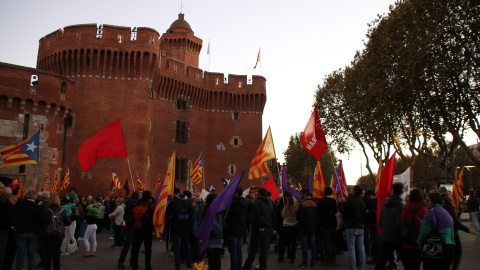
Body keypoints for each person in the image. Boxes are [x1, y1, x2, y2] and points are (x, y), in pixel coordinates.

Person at [417, 192, 455, 270]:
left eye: (427, 200)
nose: (425, 202)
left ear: (434, 201)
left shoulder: (431, 212)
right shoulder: (445, 212)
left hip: (436, 249)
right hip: (449, 247)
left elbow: (424, 231)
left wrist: (419, 243)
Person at [441, 190, 477, 270]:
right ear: (446, 198)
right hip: (452, 233)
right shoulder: (449, 208)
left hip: (448, 233)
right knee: (457, 252)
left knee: (451, 253)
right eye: (450, 195)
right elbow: (456, 223)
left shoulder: (444, 207)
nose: (452, 197)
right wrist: (468, 230)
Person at [242, 187, 276, 270]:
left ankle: (247, 266)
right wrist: (272, 227)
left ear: (259, 193)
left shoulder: (257, 202)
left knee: (253, 248)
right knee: (264, 249)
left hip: (259, 229)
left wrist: (258, 227)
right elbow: (274, 216)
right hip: (268, 229)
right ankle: (263, 266)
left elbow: (256, 216)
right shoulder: (269, 203)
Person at [375, 182, 405, 270]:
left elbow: (380, 221)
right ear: (401, 191)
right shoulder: (400, 205)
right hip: (397, 237)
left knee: (382, 260)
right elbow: (399, 223)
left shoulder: (385, 205)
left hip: (386, 236)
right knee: (407, 261)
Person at [41, 194, 72, 270]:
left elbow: (41, 223)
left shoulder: (46, 211)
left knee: (48, 255)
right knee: (56, 254)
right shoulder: (62, 211)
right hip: (59, 234)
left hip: (48, 234)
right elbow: (68, 222)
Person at [13, 189, 42, 270]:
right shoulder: (38, 207)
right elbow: (41, 220)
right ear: (35, 198)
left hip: (21, 231)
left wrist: (14, 225)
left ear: (26, 196)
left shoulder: (20, 204)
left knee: (20, 254)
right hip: (33, 232)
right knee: (31, 254)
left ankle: (19, 268)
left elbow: (11, 214)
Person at [165, 188, 194, 270]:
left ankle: (177, 267)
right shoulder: (188, 202)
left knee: (176, 248)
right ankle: (189, 266)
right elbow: (192, 215)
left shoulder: (173, 202)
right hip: (185, 228)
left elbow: (168, 216)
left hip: (175, 228)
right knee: (187, 247)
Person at [399, 189, 427, 270]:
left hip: (406, 242)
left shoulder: (405, 209)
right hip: (417, 243)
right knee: (416, 266)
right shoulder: (422, 210)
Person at [342, 185, 366, 270]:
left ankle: (353, 267)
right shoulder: (363, 203)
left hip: (351, 227)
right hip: (360, 227)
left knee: (351, 249)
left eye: (352, 190)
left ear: (355, 192)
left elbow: (344, 213)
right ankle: (362, 267)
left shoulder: (350, 202)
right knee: (361, 248)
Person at [130, 190, 155, 270]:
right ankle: (147, 266)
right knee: (148, 249)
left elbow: (132, 216)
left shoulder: (136, 205)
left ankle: (134, 265)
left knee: (135, 248)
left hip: (137, 228)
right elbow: (153, 218)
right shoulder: (151, 206)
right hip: (147, 230)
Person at [118, 189, 143, 269]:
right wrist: (134, 203)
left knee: (136, 245)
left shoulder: (141, 202)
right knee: (127, 244)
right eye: (139, 193)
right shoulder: (131, 200)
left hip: (138, 225)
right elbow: (128, 211)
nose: (140, 194)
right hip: (131, 225)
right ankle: (121, 261)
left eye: (141, 193)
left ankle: (133, 261)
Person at [201, 193, 225, 270]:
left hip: (209, 236)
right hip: (219, 237)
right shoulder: (220, 209)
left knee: (211, 258)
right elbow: (224, 224)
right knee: (217, 258)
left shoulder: (206, 209)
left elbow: (203, 223)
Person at [226, 187, 248, 270]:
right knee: (239, 250)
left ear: (236, 193)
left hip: (233, 229)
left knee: (233, 251)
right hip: (241, 229)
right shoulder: (244, 203)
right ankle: (238, 266)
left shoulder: (232, 203)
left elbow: (228, 216)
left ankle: (234, 267)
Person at [296, 188, 317, 268]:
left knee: (304, 247)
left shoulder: (302, 204)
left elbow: (299, 217)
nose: (300, 195)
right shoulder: (314, 204)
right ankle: (313, 261)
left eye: (301, 193)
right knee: (312, 246)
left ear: (305, 194)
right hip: (312, 228)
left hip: (304, 228)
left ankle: (305, 262)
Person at [317, 186, 338, 267]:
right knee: (333, 242)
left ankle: (329, 259)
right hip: (333, 223)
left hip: (324, 223)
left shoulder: (321, 201)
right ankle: (334, 259)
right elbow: (336, 211)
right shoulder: (334, 201)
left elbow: (318, 212)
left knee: (327, 242)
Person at [280, 192, 298, 264]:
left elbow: (283, 216)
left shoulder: (286, 209)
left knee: (284, 242)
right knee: (293, 243)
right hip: (294, 226)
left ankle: (281, 256)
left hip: (286, 226)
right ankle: (292, 256)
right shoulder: (296, 209)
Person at [1, 187, 16, 270]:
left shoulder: (4, 203)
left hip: (4, 228)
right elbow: (9, 216)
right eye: (10, 195)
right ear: (7, 195)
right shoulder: (4, 204)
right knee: (4, 249)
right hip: (4, 229)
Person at [364, 189, 380, 265]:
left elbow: (372, 213)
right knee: (377, 240)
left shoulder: (371, 203)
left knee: (375, 240)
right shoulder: (379, 201)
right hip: (379, 223)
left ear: (370, 195)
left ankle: (376, 257)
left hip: (373, 223)